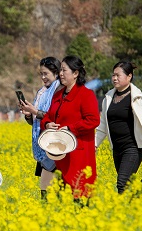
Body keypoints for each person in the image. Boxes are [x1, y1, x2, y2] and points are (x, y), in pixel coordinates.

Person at [40, 55, 100, 200]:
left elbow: (93, 120)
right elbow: (49, 115)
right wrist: (47, 124)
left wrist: (70, 128)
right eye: (60, 70)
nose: (60, 73)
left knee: (79, 195)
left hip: (79, 154)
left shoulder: (86, 95)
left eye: (64, 70)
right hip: (60, 154)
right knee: (62, 196)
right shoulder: (58, 94)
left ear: (75, 73)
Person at [95, 61, 142, 194]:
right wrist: (95, 144)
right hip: (117, 149)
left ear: (129, 76)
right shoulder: (109, 97)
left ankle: (123, 210)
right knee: (128, 185)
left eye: (118, 75)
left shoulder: (138, 98)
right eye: (113, 75)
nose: (114, 78)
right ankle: (137, 202)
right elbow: (103, 124)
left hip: (133, 147)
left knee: (122, 184)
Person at [18, 56, 61, 200]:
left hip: (55, 144)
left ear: (56, 72)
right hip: (43, 143)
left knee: (53, 189)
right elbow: (35, 121)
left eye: (46, 74)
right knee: (46, 189)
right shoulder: (41, 92)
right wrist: (29, 114)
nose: (43, 77)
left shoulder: (59, 90)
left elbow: (54, 116)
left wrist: (35, 111)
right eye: (41, 74)